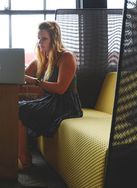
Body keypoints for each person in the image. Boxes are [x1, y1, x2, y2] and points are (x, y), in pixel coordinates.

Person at [18, 21, 83, 169]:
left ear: (54, 39)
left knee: (20, 109)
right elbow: (21, 76)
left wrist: (35, 81)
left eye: (44, 39)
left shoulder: (66, 57)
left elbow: (61, 89)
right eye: (38, 38)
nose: (40, 42)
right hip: (49, 101)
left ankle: (23, 158)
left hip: (66, 104)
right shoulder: (41, 59)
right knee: (16, 107)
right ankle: (21, 155)